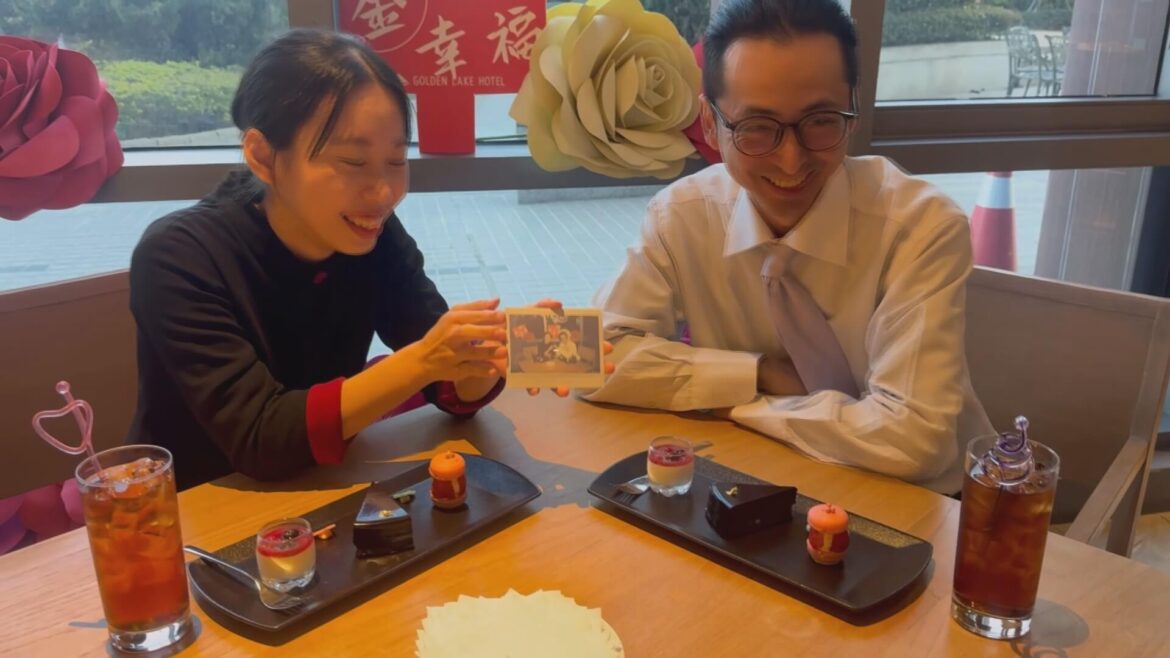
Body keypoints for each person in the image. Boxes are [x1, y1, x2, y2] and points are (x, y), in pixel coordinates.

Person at [585, 0, 993, 494]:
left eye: (820, 120)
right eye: (757, 127)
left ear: (852, 112)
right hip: (764, 478)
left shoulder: (920, 227)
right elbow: (591, 359)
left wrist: (733, 399)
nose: (791, 160)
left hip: (924, 502)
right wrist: (759, 371)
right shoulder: (683, 217)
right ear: (710, 123)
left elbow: (913, 442)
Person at [129, 29, 529, 490]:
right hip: (198, 509)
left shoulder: (372, 234)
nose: (383, 194)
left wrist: (480, 363)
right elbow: (259, 437)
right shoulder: (179, 256)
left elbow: (439, 371)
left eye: (396, 161)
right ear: (263, 156)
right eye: (353, 162)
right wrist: (425, 360)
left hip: (327, 489)